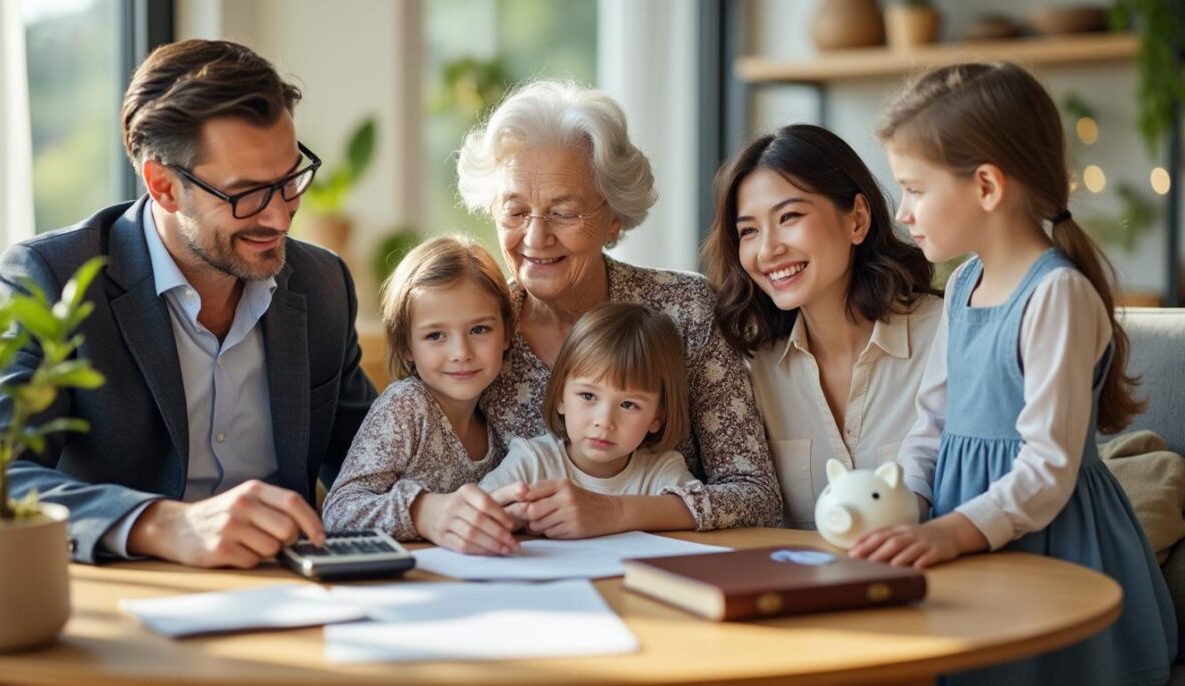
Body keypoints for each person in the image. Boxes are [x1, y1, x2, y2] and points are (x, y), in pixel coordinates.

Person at [0, 39, 377, 567]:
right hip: (130, 606)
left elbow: (374, 463)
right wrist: (161, 523)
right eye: (246, 194)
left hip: (296, 598)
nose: (281, 219)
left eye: (289, 181)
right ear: (164, 186)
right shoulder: (53, 279)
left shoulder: (322, 282)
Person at [851, 62, 1175, 684]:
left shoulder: (1057, 296)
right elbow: (934, 423)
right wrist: (910, 506)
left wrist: (952, 532)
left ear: (987, 187)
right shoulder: (963, 283)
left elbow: (1048, 466)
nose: (905, 211)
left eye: (916, 189)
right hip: (964, 526)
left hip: (1053, 546)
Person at [451, 80, 782, 550]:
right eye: (516, 212)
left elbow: (755, 495)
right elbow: (437, 493)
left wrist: (615, 512)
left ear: (613, 219)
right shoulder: (472, 333)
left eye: (563, 213)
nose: (535, 238)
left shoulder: (685, 309)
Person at [703, 124, 941, 529]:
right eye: (748, 231)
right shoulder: (750, 368)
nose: (768, 250)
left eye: (789, 216)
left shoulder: (947, 335)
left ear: (857, 221)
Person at [323, 235, 529, 555]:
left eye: (479, 329)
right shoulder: (406, 406)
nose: (461, 352)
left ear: (506, 332)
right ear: (406, 345)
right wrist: (421, 513)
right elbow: (339, 512)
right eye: (435, 335)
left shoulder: (499, 413)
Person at [479, 303, 701, 526]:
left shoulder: (662, 472)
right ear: (560, 397)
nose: (604, 422)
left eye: (628, 405)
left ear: (657, 417)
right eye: (588, 396)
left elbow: (706, 510)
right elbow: (478, 515)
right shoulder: (531, 461)